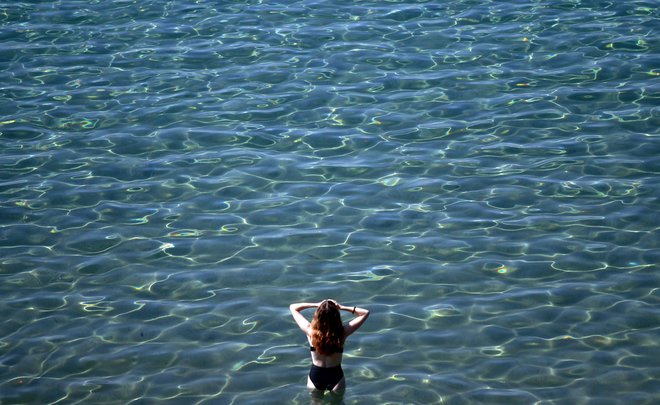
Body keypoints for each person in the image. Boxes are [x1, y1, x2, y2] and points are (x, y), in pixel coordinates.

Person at [289, 299, 370, 393]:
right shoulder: (342, 334)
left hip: (316, 375)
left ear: (318, 315)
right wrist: (341, 307)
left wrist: (317, 304)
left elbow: (293, 307)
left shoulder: (310, 332)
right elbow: (365, 313)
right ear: (336, 316)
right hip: (335, 375)